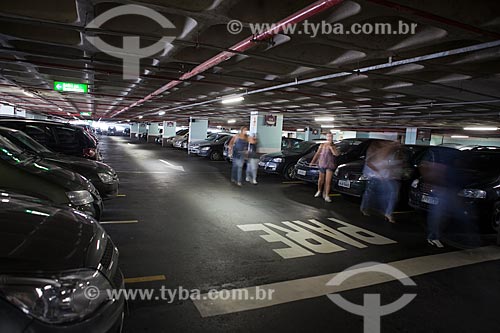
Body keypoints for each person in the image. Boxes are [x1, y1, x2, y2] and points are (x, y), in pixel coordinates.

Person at [360, 140, 403, 223]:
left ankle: (387, 213)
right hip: (375, 176)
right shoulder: (379, 151)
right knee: (370, 193)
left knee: (393, 193)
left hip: (386, 177)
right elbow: (369, 162)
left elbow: (395, 163)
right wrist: (378, 170)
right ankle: (365, 208)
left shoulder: (394, 153)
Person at [310, 133, 340, 202]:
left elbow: (336, 154)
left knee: (328, 181)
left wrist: (331, 148)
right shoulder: (322, 145)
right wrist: (313, 161)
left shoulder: (334, 146)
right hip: (322, 164)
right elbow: (317, 153)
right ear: (326, 137)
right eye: (328, 136)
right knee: (321, 179)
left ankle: (326, 195)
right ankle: (319, 190)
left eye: (331, 136)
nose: (330, 138)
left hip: (330, 165)